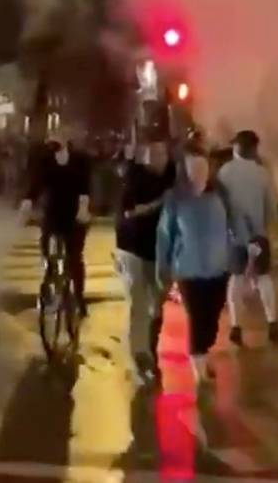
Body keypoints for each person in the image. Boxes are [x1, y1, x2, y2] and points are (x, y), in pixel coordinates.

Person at [156, 145, 243, 385]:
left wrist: (240, 247)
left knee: (212, 318)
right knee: (197, 317)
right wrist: (162, 267)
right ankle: (199, 368)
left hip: (218, 268)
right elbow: (165, 234)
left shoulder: (221, 195)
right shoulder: (176, 198)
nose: (199, 173)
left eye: (203, 168)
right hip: (188, 269)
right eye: (194, 169)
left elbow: (234, 224)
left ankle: (203, 351)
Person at [219, 130, 278, 346]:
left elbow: (220, 205)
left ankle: (236, 326)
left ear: (236, 148)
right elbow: (272, 207)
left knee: (236, 278)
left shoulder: (224, 172)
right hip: (258, 234)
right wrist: (270, 227)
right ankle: (273, 323)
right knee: (263, 278)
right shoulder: (262, 173)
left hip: (234, 235)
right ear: (254, 149)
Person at [116, 140, 172, 380]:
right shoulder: (136, 178)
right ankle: (140, 354)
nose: (159, 159)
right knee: (138, 302)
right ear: (145, 157)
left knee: (157, 304)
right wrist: (158, 204)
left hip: (160, 250)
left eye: (162, 153)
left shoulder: (172, 177)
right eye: (154, 154)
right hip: (133, 247)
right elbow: (129, 212)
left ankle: (151, 347)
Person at [25, 139, 92, 315]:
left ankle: (79, 297)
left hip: (75, 214)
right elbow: (36, 182)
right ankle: (50, 275)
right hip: (53, 213)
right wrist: (28, 201)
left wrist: (83, 209)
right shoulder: (45, 161)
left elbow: (86, 187)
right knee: (47, 249)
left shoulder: (80, 160)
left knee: (75, 257)